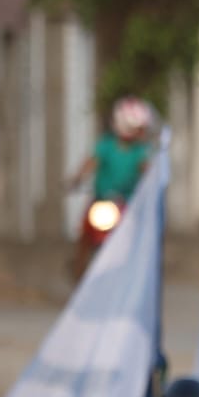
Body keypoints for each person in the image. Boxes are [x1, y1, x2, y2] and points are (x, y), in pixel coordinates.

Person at [70, 97, 154, 279]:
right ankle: (79, 273)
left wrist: (152, 184)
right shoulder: (106, 145)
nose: (140, 132)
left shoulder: (140, 151)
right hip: (102, 200)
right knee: (84, 233)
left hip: (126, 205)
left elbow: (147, 170)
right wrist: (76, 179)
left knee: (141, 237)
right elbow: (90, 164)